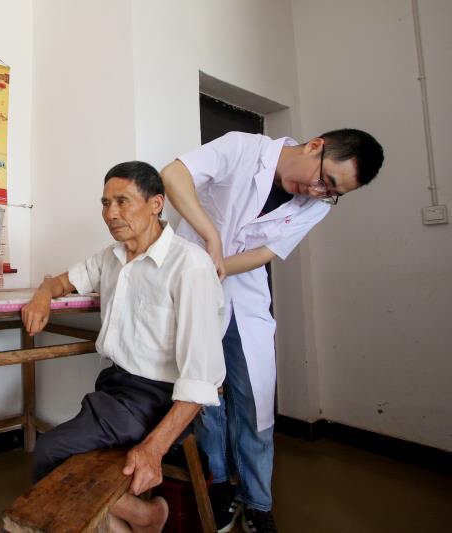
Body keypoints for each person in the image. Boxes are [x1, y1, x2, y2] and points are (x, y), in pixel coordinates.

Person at [161, 129, 384, 533]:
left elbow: (266, 252)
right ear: (315, 146)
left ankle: (258, 502)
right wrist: (210, 238)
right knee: (203, 394)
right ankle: (218, 486)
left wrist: (218, 266)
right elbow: (173, 176)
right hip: (192, 290)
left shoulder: (317, 206)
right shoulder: (243, 148)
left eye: (332, 193)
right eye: (325, 180)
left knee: (256, 401)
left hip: (244, 298)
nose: (318, 192)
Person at [22, 161, 226, 532]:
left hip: (159, 397)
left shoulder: (189, 266)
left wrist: (153, 448)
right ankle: (141, 518)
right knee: (69, 458)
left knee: (51, 453)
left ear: (156, 204)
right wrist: (42, 295)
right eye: (105, 203)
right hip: (115, 387)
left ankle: (148, 516)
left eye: (122, 201)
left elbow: (202, 379)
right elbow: (61, 282)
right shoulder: (112, 257)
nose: (111, 214)